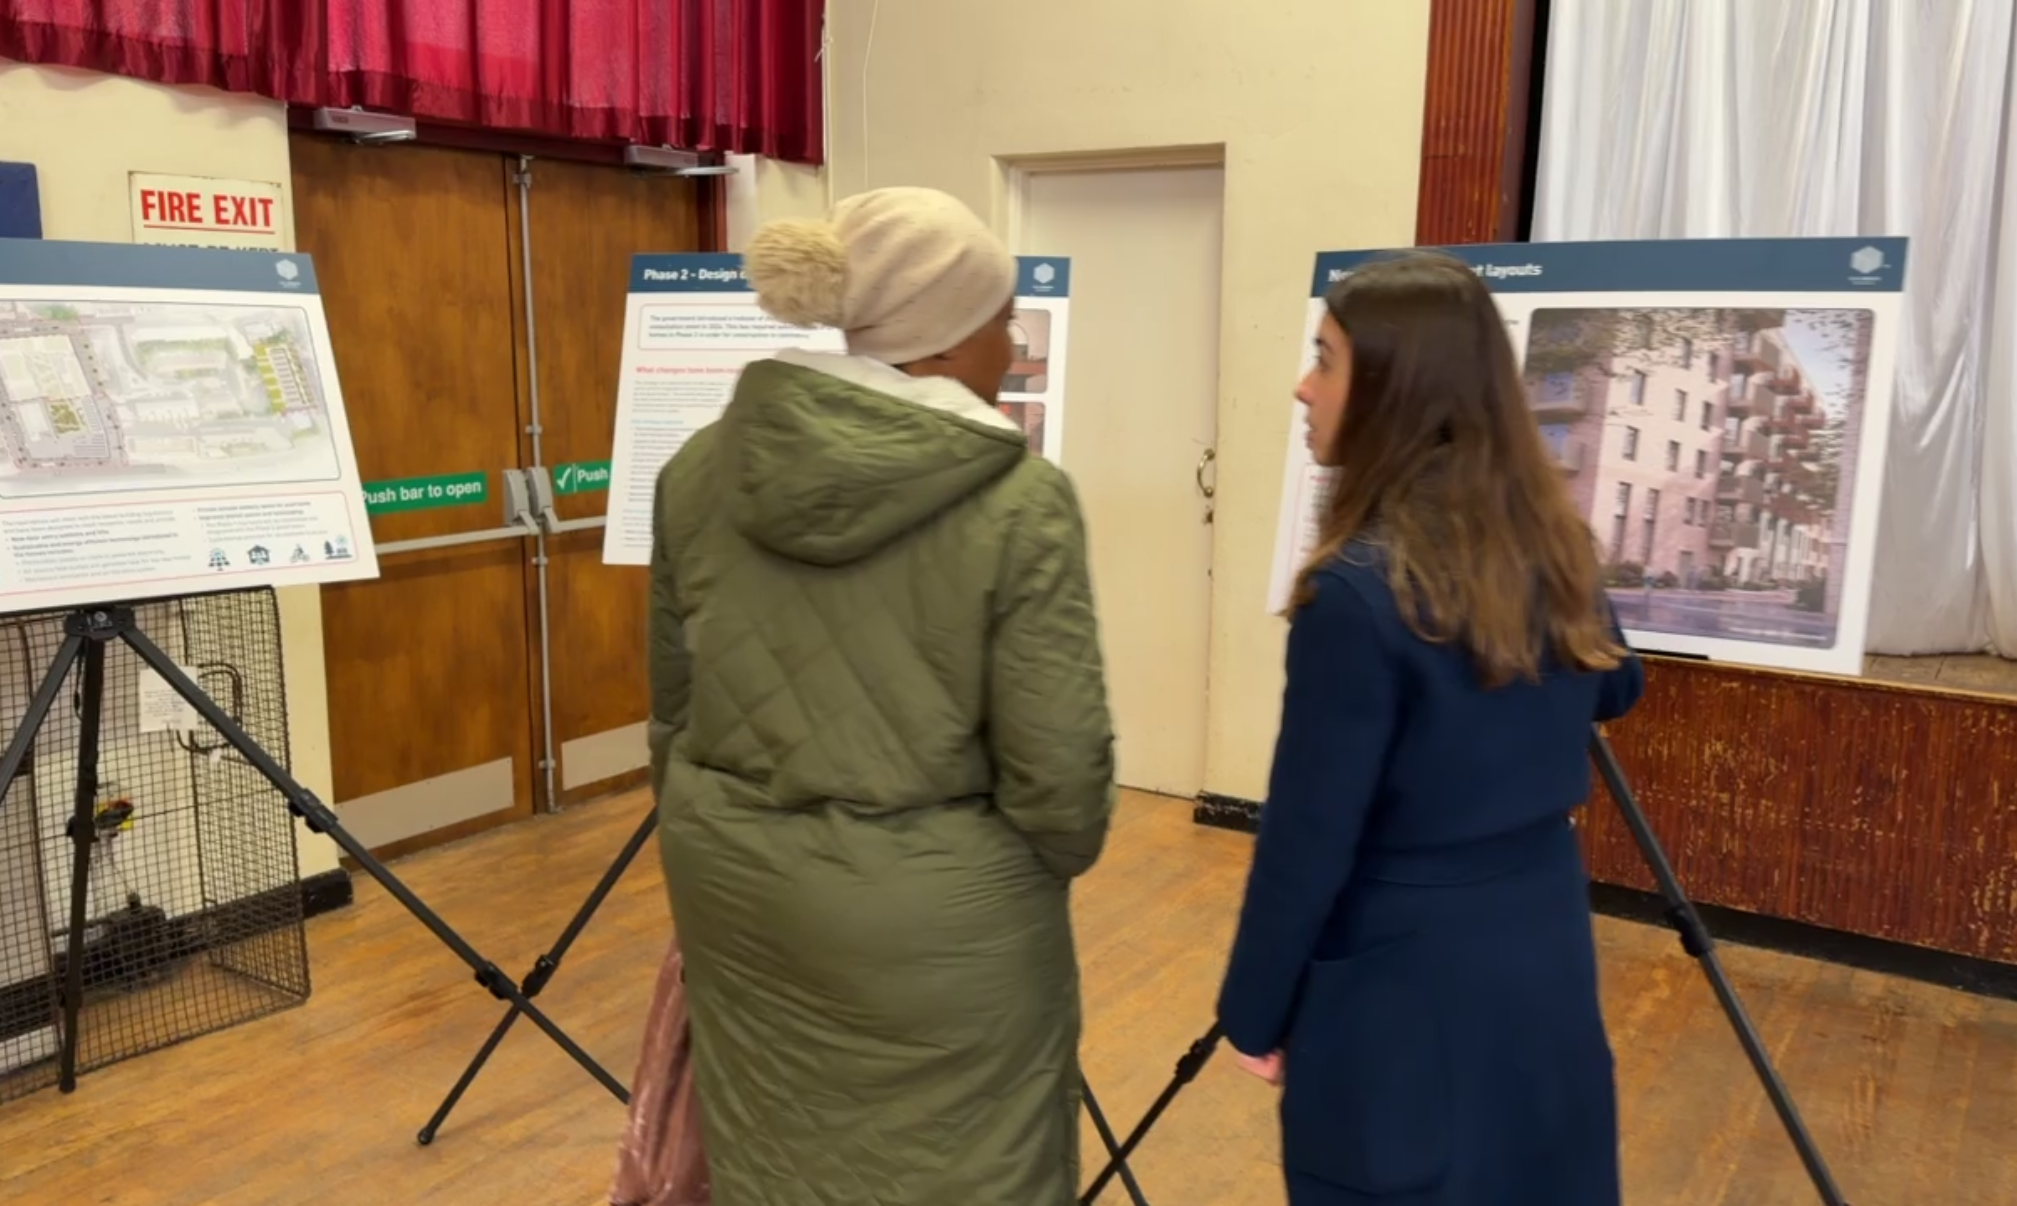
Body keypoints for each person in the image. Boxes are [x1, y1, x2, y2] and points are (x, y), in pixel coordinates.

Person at [645, 186, 1116, 1206]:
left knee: (774, 1158)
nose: (1013, 340)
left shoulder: (695, 472)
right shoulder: (1020, 503)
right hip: (940, 922)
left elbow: (673, 713)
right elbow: (1062, 780)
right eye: (1001, 318)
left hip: (742, 897)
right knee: (970, 1166)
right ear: (946, 340)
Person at [1215, 251, 1646, 1206]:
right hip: (1536, 937)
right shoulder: (1549, 540)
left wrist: (1252, 1010)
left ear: (1395, 389)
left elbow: (1307, 839)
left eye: (1324, 360)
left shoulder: (1357, 594)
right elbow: (1618, 689)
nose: (1301, 385)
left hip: (1401, 971)